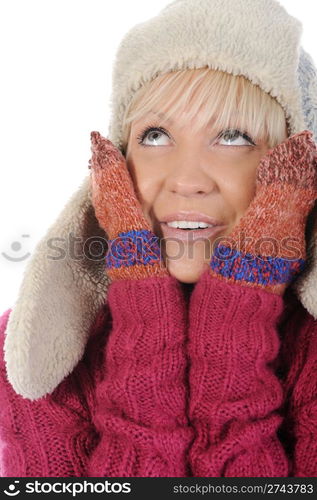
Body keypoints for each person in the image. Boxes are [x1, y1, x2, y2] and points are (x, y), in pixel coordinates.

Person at [0, 0, 316, 478]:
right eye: (154, 135)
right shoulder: (34, 358)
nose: (186, 179)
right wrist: (143, 317)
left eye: (233, 136)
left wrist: (235, 322)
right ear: (117, 164)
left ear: (294, 171)